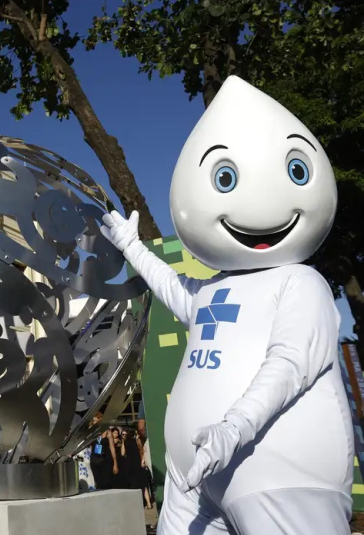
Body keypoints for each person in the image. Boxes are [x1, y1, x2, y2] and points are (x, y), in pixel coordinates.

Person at [101, 76, 352, 534]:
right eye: (225, 178)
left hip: (281, 475)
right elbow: (169, 283)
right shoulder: (210, 293)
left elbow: (290, 362)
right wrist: (132, 248)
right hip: (190, 481)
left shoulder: (301, 282)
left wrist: (232, 428)